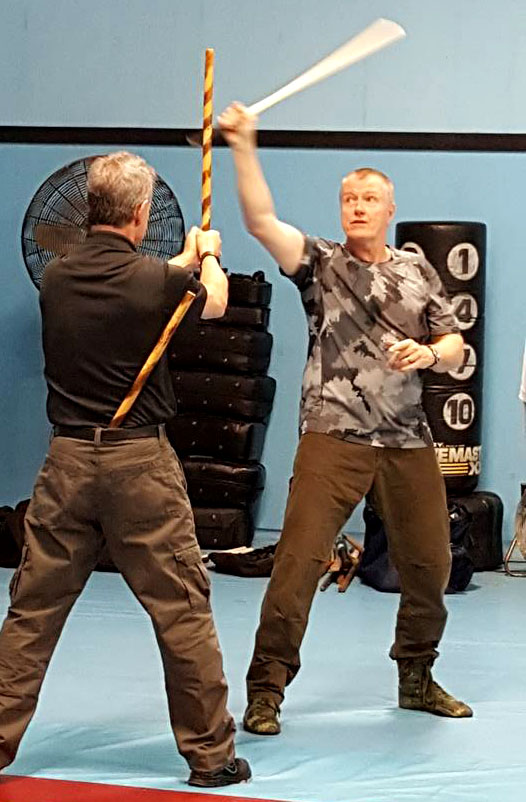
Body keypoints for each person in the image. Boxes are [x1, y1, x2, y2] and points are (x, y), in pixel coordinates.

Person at [218, 103, 472, 736]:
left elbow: (456, 343)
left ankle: (416, 676)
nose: (357, 206)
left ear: (389, 209)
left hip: (408, 440)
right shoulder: (322, 264)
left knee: (429, 564)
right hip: (333, 436)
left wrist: (429, 352)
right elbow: (259, 220)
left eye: (370, 198)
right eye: (348, 198)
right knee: (299, 562)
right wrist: (244, 146)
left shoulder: (417, 270)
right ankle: (266, 690)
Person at [0, 151, 250, 788]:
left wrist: (180, 263)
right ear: (142, 214)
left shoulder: (56, 277)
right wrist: (209, 257)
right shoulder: (156, 284)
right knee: (181, 609)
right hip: (138, 463)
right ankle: (212, 758)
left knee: (31, 613)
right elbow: (214, 304)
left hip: (65, 463)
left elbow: (134, 282)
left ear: (88, 209)